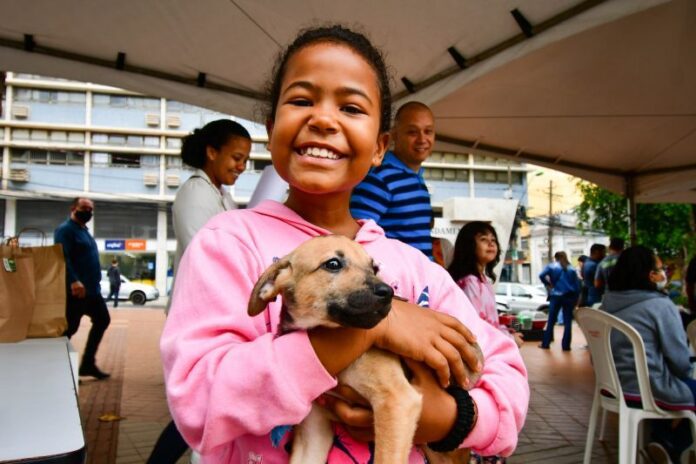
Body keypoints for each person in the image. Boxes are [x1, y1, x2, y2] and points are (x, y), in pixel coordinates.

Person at [160, 25, 528, 463]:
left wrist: (449, 417)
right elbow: (198, 404)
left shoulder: (413, 268)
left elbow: (504, 372)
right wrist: (377, 324)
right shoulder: (228, 242)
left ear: (379, 148)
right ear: (272, 127)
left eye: (351, 107)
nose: (323, 119)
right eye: (301, 100)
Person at [147, 118, 252, 464]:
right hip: (201, 315)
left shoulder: (220, 193)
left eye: (245, 160)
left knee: (205, 404)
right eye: (236, 157)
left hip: (217, 313)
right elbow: (204, 254)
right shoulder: (195, 191)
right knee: (198, 404)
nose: (241, 166)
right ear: (211, 152)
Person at [601, 246, 696, 463]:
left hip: (614, 387)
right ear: (650, 275)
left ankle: (662, 444)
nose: (665, 275)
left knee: (669, 384)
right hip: (650, 390)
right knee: (683, 385)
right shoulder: (660, 306)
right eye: (661, 269)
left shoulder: (606, 304)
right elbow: (680, 362)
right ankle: (670, 445)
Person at [350, 101, 435, 260]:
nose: (422, 139)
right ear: (394, 135)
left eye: (428, 131)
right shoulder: (379, 177)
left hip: (421, 280)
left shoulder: (416, 178)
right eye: (412, 132)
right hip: (395, 282)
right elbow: (356, 239)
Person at [54, 197, 111, 379]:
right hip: (76, 291)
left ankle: (87, 364)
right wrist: (73, 280)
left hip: (92, 291)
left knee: (102, 320)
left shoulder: (84, 231)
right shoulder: (65, 230)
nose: (88, 212)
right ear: (73, 208)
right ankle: (59, 369)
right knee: (68, 330)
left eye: (90, 209)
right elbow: (62, 257)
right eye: (84, 208)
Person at [448, 221, 524, 350]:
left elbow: (491, 324)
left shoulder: (483, 281)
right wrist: (509, 339)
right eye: (483, 239)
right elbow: (477, 327)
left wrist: (507, 332)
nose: (491, 243)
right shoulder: (469, 282)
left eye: (493, 239)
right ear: (469, 246)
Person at [538, 251, 580, 351]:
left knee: (551, 320)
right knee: (568, 321)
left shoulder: (552, 266)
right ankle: (566, 346)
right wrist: (576, 299)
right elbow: (577, 286)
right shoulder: (572, 268)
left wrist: (548, 284)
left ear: (555, 258)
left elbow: (541, 275)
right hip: (569, 297)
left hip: (555, 296)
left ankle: (546, 343)